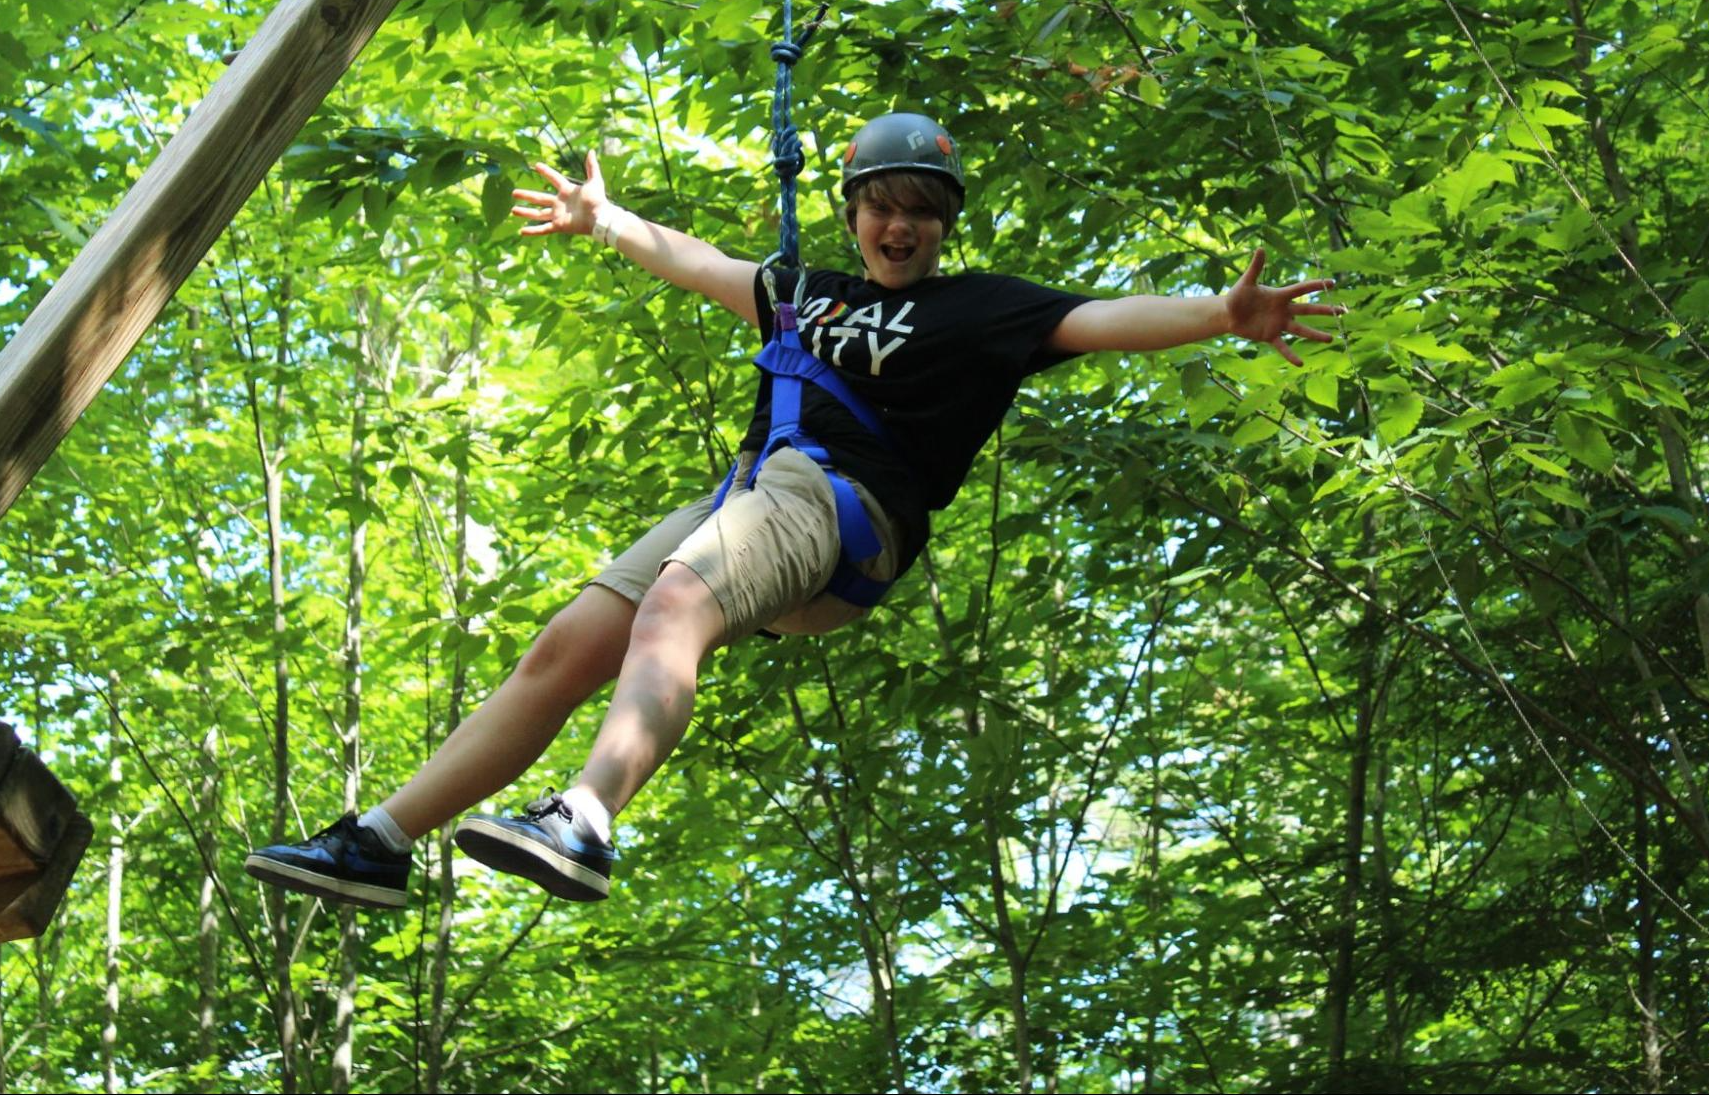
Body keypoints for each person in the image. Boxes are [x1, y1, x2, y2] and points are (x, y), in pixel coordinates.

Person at [244, 112, 1343, 909]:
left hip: (841, 503)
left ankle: (583, 817)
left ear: (943, 222)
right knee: (565, 647)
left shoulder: (982, 311)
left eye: (919, 210)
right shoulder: (806, 294)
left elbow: (1103, 318)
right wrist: (605, 217)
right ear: (854, 209)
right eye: (881, 204)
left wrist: (1220, 314)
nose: (898, 226)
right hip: (750, 491)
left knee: (678, 601)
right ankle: (380, 842)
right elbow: (705, 264)